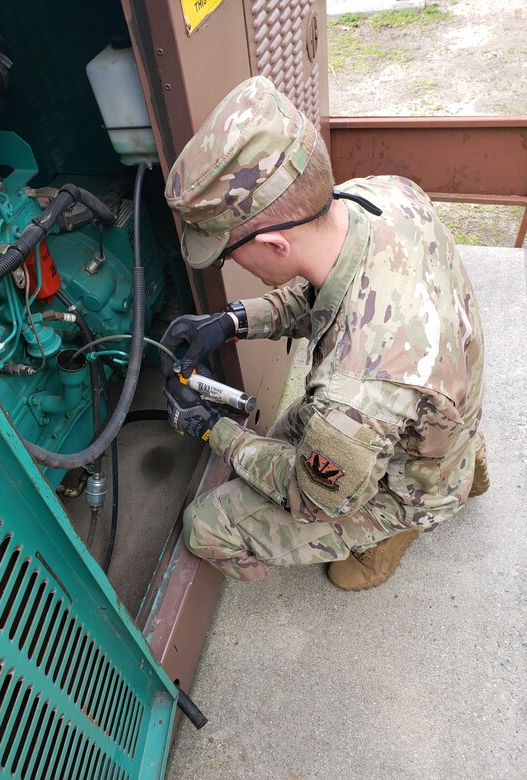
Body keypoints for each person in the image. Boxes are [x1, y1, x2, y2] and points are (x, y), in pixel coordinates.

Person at [160, 76, 489, 590]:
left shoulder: (353, 397)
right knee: (296, 427)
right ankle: (467, 465)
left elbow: (307, 497)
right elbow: (327, 292)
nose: (227, 262)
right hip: (447, 403)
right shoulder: (376, 197)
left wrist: (213, 431)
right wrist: (231, 322)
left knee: (206, 526)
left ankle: (401, 526)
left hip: (409, 474)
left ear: (272, 244)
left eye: (226, 252)